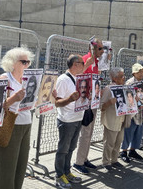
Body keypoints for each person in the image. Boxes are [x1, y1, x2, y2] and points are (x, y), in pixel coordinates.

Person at [0, 47, 34, 189]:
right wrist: (14, 98)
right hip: (10, 125)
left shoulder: (27, 80)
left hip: (26, 124)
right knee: (6, 166)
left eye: (28, 62)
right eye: (24, 62)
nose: (27, 65)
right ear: (13, 62)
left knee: (21, 165)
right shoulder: (4, 79)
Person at [73, 37, 104, 174]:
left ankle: (84, 158)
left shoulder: (96, 62)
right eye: (100, 48)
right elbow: (77, 76)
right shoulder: (86, 59)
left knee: (89, 132)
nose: (102, 51)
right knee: (85, 132)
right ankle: (78, 162)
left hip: (93, 99)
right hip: (85, 100)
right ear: (93, 48)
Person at [54, 54, 85, 189]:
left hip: (78, 117)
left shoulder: (78, 78)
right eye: (82, 63)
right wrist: (70, 100)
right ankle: (59, 175)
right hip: (67, 119)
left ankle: (67, 171)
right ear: (75, 64)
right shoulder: (63, 79)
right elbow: (57, 102)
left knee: (71, 148)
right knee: (63, 149)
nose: (84, 65)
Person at [101, 67, 127, 170]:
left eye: (124, 76)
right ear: (115, 78)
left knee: (118, 141)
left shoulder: (124, 88)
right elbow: (101, 106)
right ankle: (106, 162)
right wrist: (109, 103)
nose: (124, 78)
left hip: (121, 119)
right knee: (109, 143)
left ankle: (114, 160)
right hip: (111, 120)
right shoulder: (108, 88)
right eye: (121, 76)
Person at [121, 63, 143, 161]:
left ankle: (133, 150)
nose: (141, 73)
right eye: (139, 71)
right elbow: (126, 97)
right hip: (131, 112)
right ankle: (124, 151)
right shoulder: (129, 83)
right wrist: (134, 99)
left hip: (141, 110)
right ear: (134, 73)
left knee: (138, 132)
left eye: (142, 71)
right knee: (128, 131)